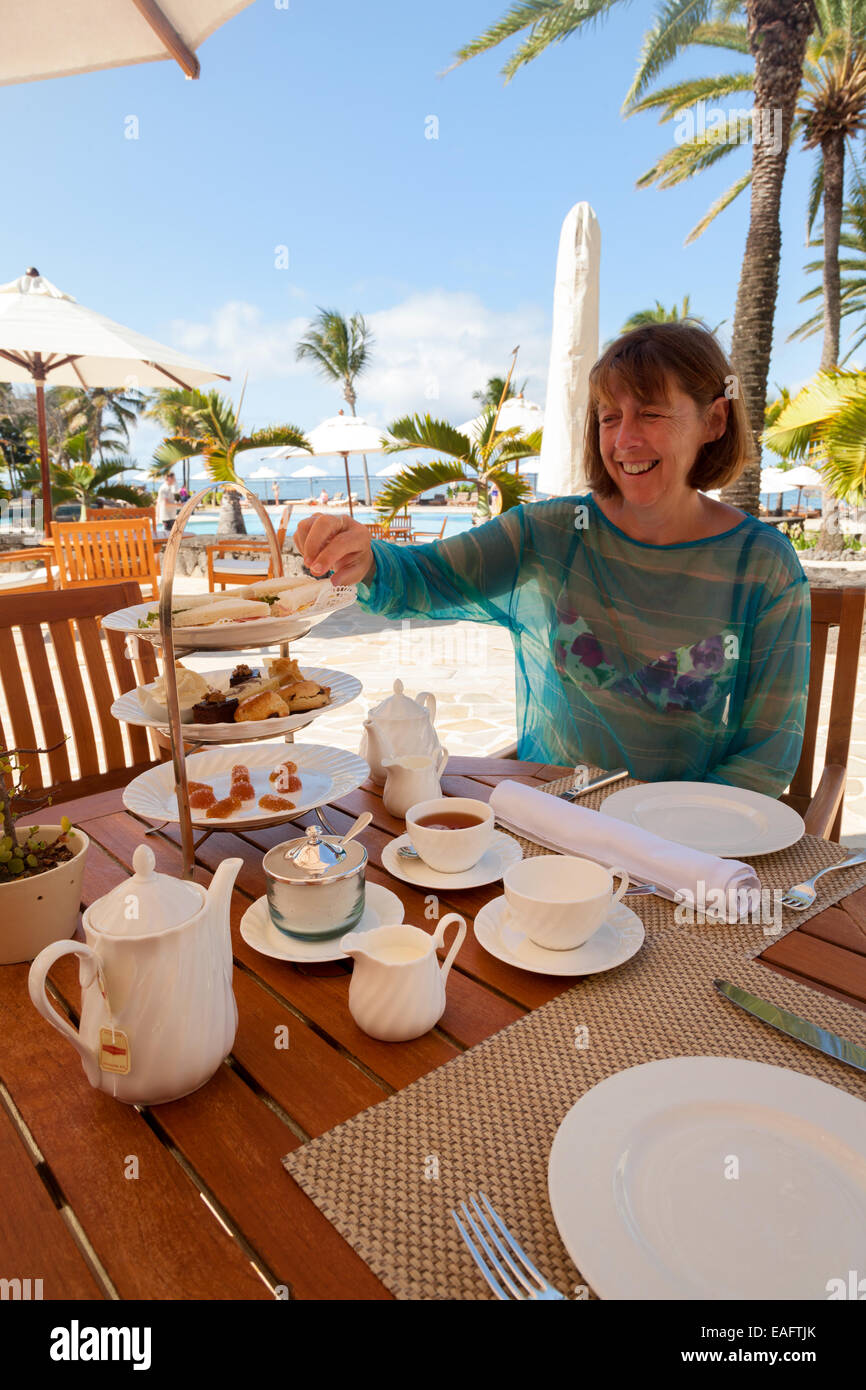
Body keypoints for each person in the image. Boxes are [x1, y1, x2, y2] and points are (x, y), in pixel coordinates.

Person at [295, 323, 809, 796]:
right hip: (555, 818)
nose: (625, 439)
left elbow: (767, 755)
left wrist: (663, 835)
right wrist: (364, 559)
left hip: (685, 839)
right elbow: (423, 577)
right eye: (610, 417)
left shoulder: (761, 564)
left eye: (651, 413)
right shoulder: (551, 532)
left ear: (714, 420)